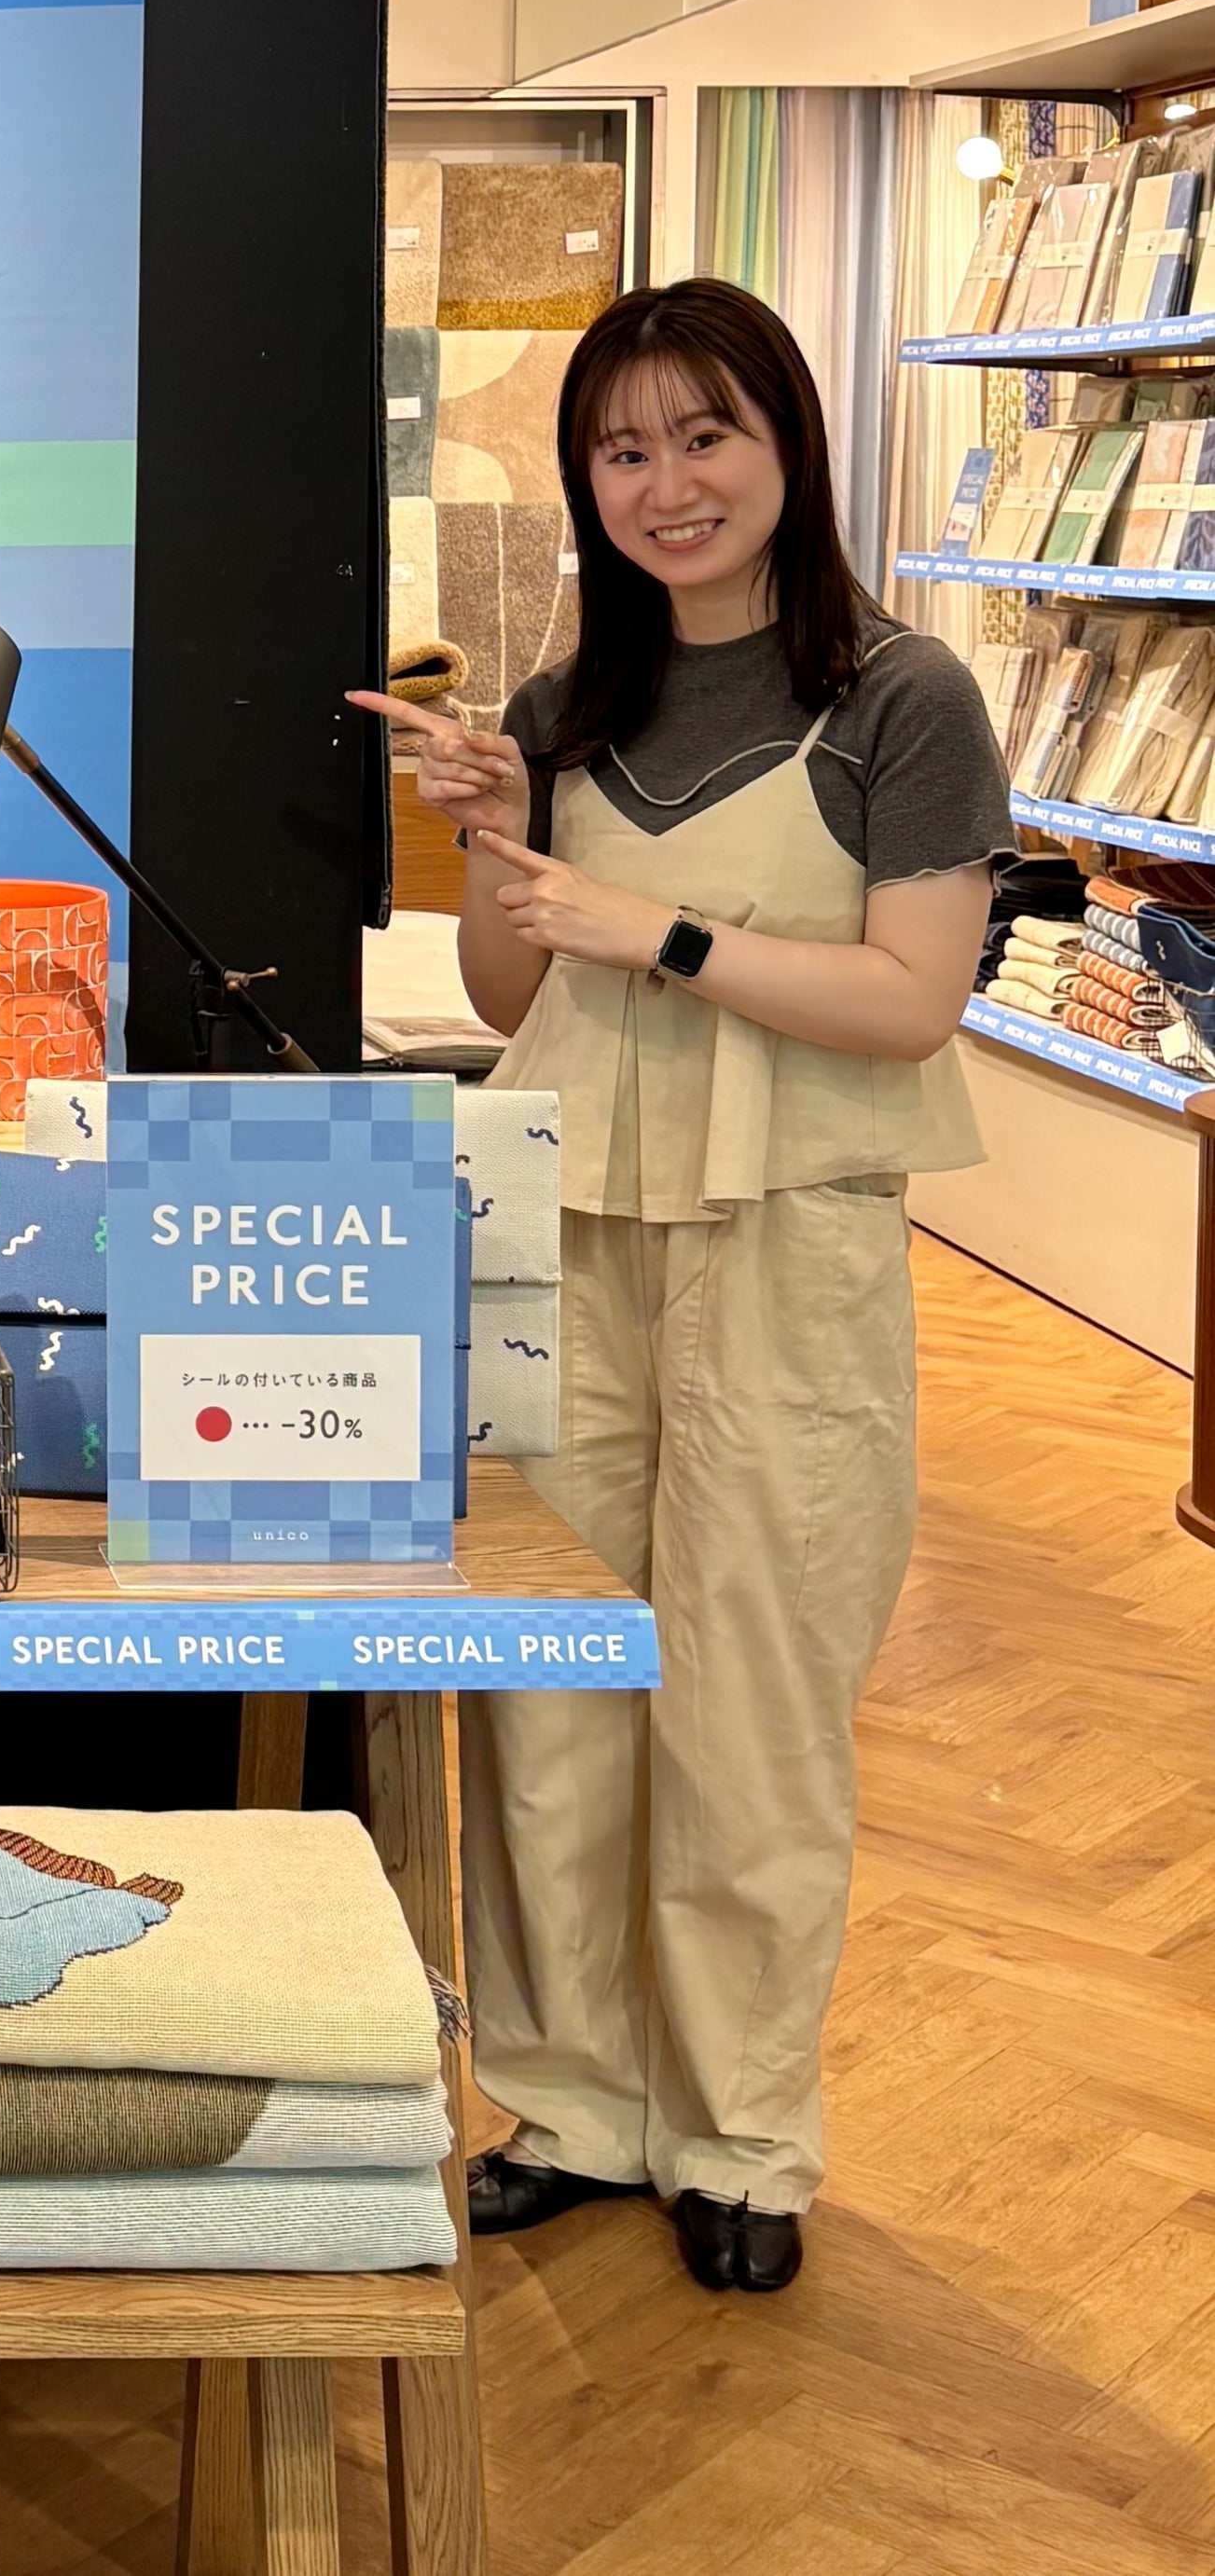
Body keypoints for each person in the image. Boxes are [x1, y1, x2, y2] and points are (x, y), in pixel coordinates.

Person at [352, 274, 1005, 2296]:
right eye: (622, 450)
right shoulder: (570, 702)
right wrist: (495, 833)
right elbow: (507, 995)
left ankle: (739, 2136)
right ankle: (573, 2107)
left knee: (754, 1693)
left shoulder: (901, 696)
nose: (666, 483)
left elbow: (912, 999)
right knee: (547, 1690)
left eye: (703, 435)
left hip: (790, 1244)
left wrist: (663, 933)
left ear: (785, 440)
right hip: (570, 1228)